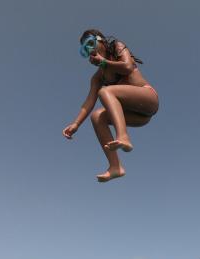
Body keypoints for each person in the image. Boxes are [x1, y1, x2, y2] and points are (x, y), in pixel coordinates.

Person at [62, 29, 159, 182]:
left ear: (101, 40)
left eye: (90, 44)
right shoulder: (98, 77)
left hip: (148, 98)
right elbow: (89, 102)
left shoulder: (117, 47)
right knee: (97, 116)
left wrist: (103, 62)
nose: (90, 50)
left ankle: (123, 136)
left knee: (105, 91)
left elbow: (127, 67)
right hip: (138, 117)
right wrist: (76, 124)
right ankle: (115, 166)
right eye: (85, 50)